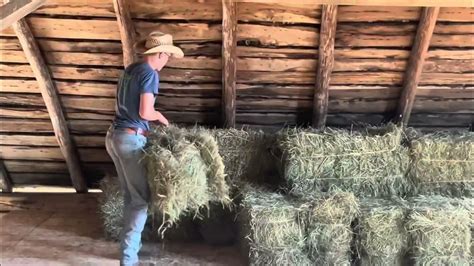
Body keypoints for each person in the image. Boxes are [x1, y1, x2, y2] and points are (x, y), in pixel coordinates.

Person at [105, 31, 184, 266]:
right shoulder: (150, 74)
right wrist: (160, 117)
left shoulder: (130, 70)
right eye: (167, 56)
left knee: (132, 197)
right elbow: (145, 112)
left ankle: (131, 249)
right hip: (130, 140)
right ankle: (128, 260)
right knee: (140, 201)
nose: (167, 60)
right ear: (159, 54)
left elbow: (124, 105)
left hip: (114, 136)